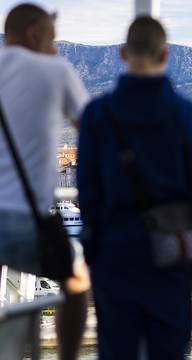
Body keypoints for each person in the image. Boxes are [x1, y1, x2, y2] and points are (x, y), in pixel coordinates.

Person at [77, 17, 192, 359]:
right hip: (172, 255)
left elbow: (88, 194)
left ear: (123, 54)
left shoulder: (97, 115)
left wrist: (95, 251)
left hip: (114, 253)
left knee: (116, 349)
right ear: (165, 54)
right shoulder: (184, 114)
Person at [0, 4, 90, 359]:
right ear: (34, 34)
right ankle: (67, 355)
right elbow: (91, 128)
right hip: (28, 219)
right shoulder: (56, 70)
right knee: (77, 283)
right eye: (52, 34)